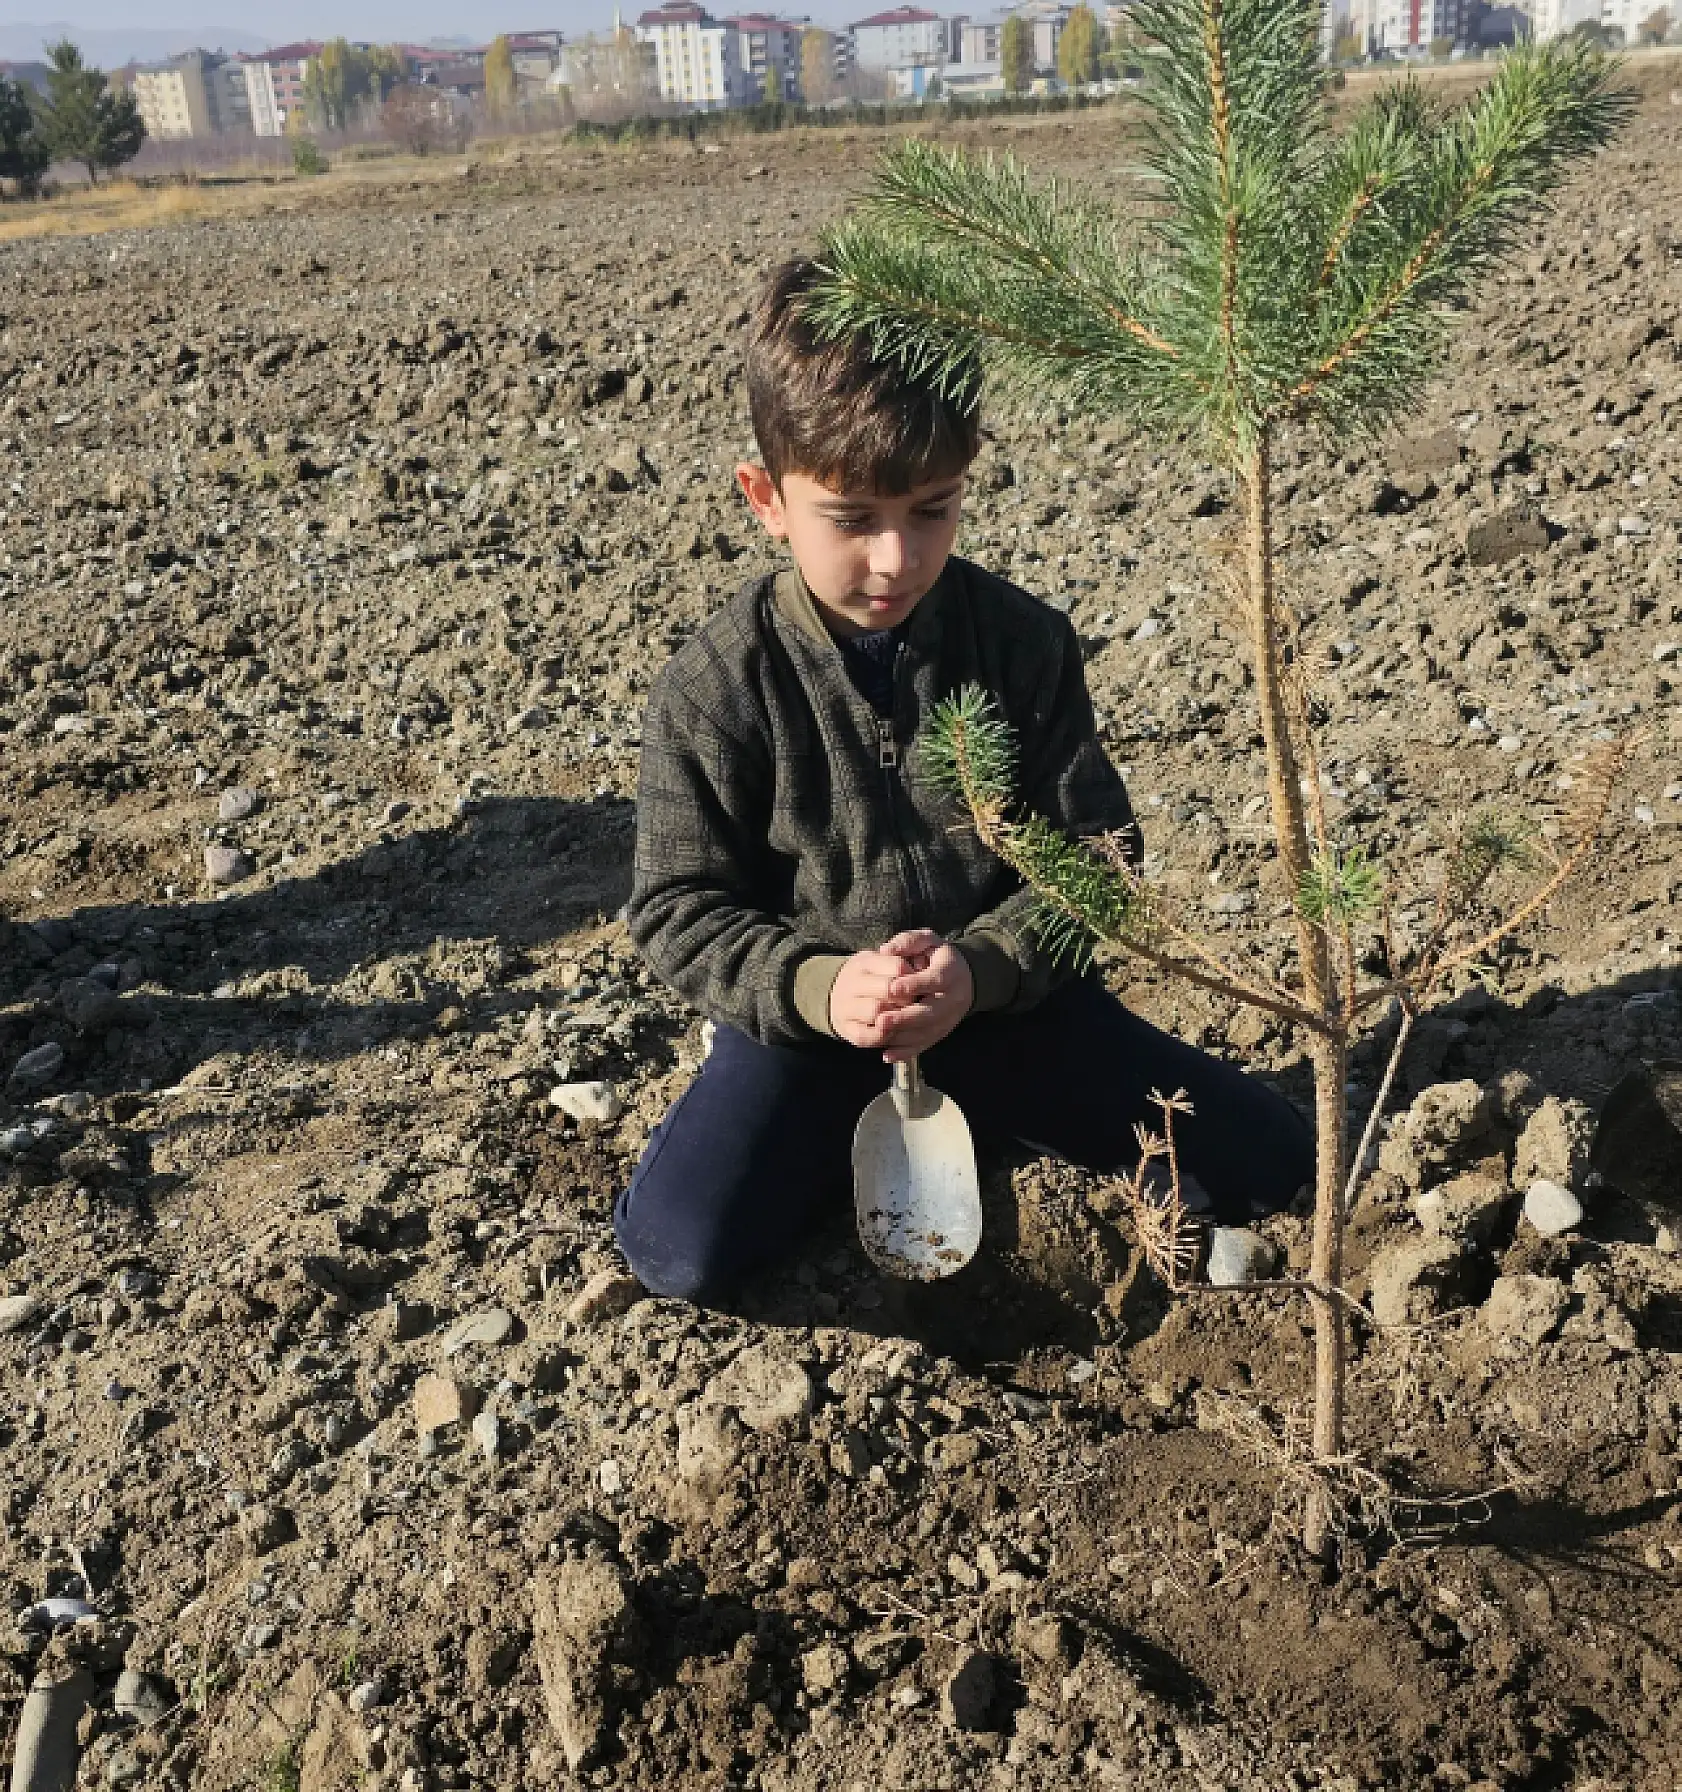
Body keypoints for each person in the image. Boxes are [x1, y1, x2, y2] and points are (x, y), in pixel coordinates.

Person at [614, 258, 1312, 1303]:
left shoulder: (1021, 644)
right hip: (814, 1038)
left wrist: (978, 971)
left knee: (1275, 1163)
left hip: (1013, 1010)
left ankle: (987, 1105)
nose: (895, 557)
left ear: (966, 477)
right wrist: (821, 988)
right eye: (851, 518)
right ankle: (855, 1133)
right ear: (765, 497)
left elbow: (1097, 863)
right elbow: (676, 907)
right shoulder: (719, 685)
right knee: (681, 1251)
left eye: (931, 509)